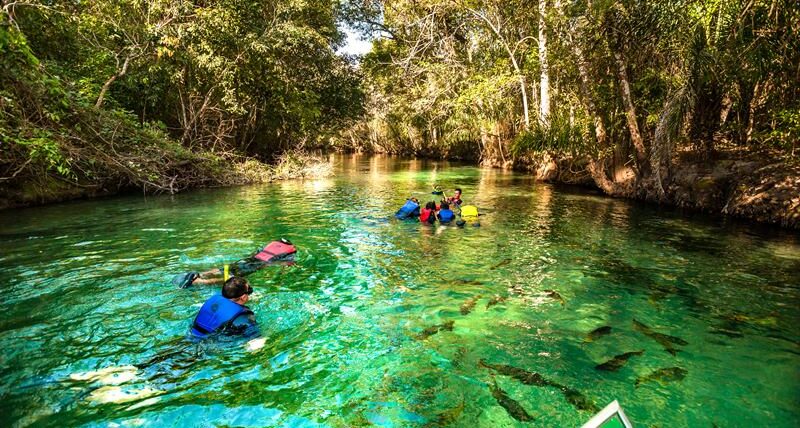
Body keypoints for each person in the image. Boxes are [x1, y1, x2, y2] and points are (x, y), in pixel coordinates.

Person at [173, 238, 296, 288]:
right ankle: (200, 282)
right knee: (233, 279)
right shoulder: (289, 253)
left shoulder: (269, 245)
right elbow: (285, 265)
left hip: (246, 260)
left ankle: (200, 274)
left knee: (226, 268)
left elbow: (254, 253)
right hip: (255, 265)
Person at [190, 277, 258, 339]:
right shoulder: (243, 317)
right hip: (211, 343)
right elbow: (254, 340)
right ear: (243, 297)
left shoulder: (214, 300)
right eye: (249, 290)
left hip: (192, 334)